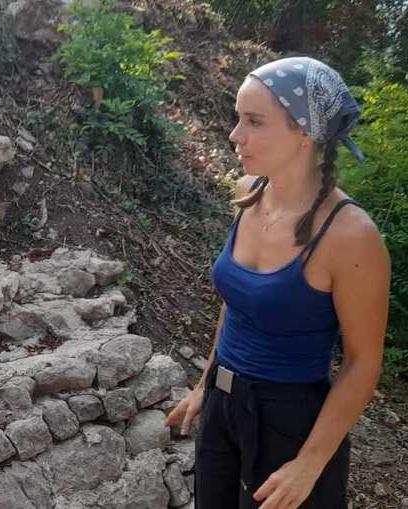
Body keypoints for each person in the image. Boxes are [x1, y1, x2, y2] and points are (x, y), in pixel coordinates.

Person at [164, 56, 391, 509]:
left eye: (253, 121)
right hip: (223, 408)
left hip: (291, 423)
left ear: (304, 134)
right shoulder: (249, 194)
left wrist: (310, 464)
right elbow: (236, 304)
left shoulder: (351, 236)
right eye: (237, 118)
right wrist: (205, 385)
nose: (234, 135)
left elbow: (363, 364)